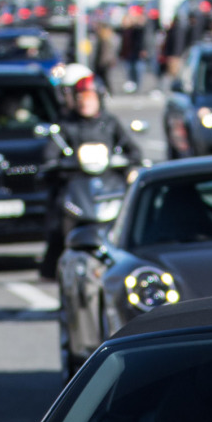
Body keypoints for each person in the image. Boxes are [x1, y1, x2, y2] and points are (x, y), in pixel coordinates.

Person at [41, 76, 142, 277]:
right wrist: (58, 166)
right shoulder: (65, 125)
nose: (84, 102)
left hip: (108, 186)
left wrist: (130, 165)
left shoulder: (110, 123)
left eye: (89, 97)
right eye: (80, 97)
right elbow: (50, 155)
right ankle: (55, 266)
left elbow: (134, 151)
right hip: (77, 186)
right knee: (58, 218)